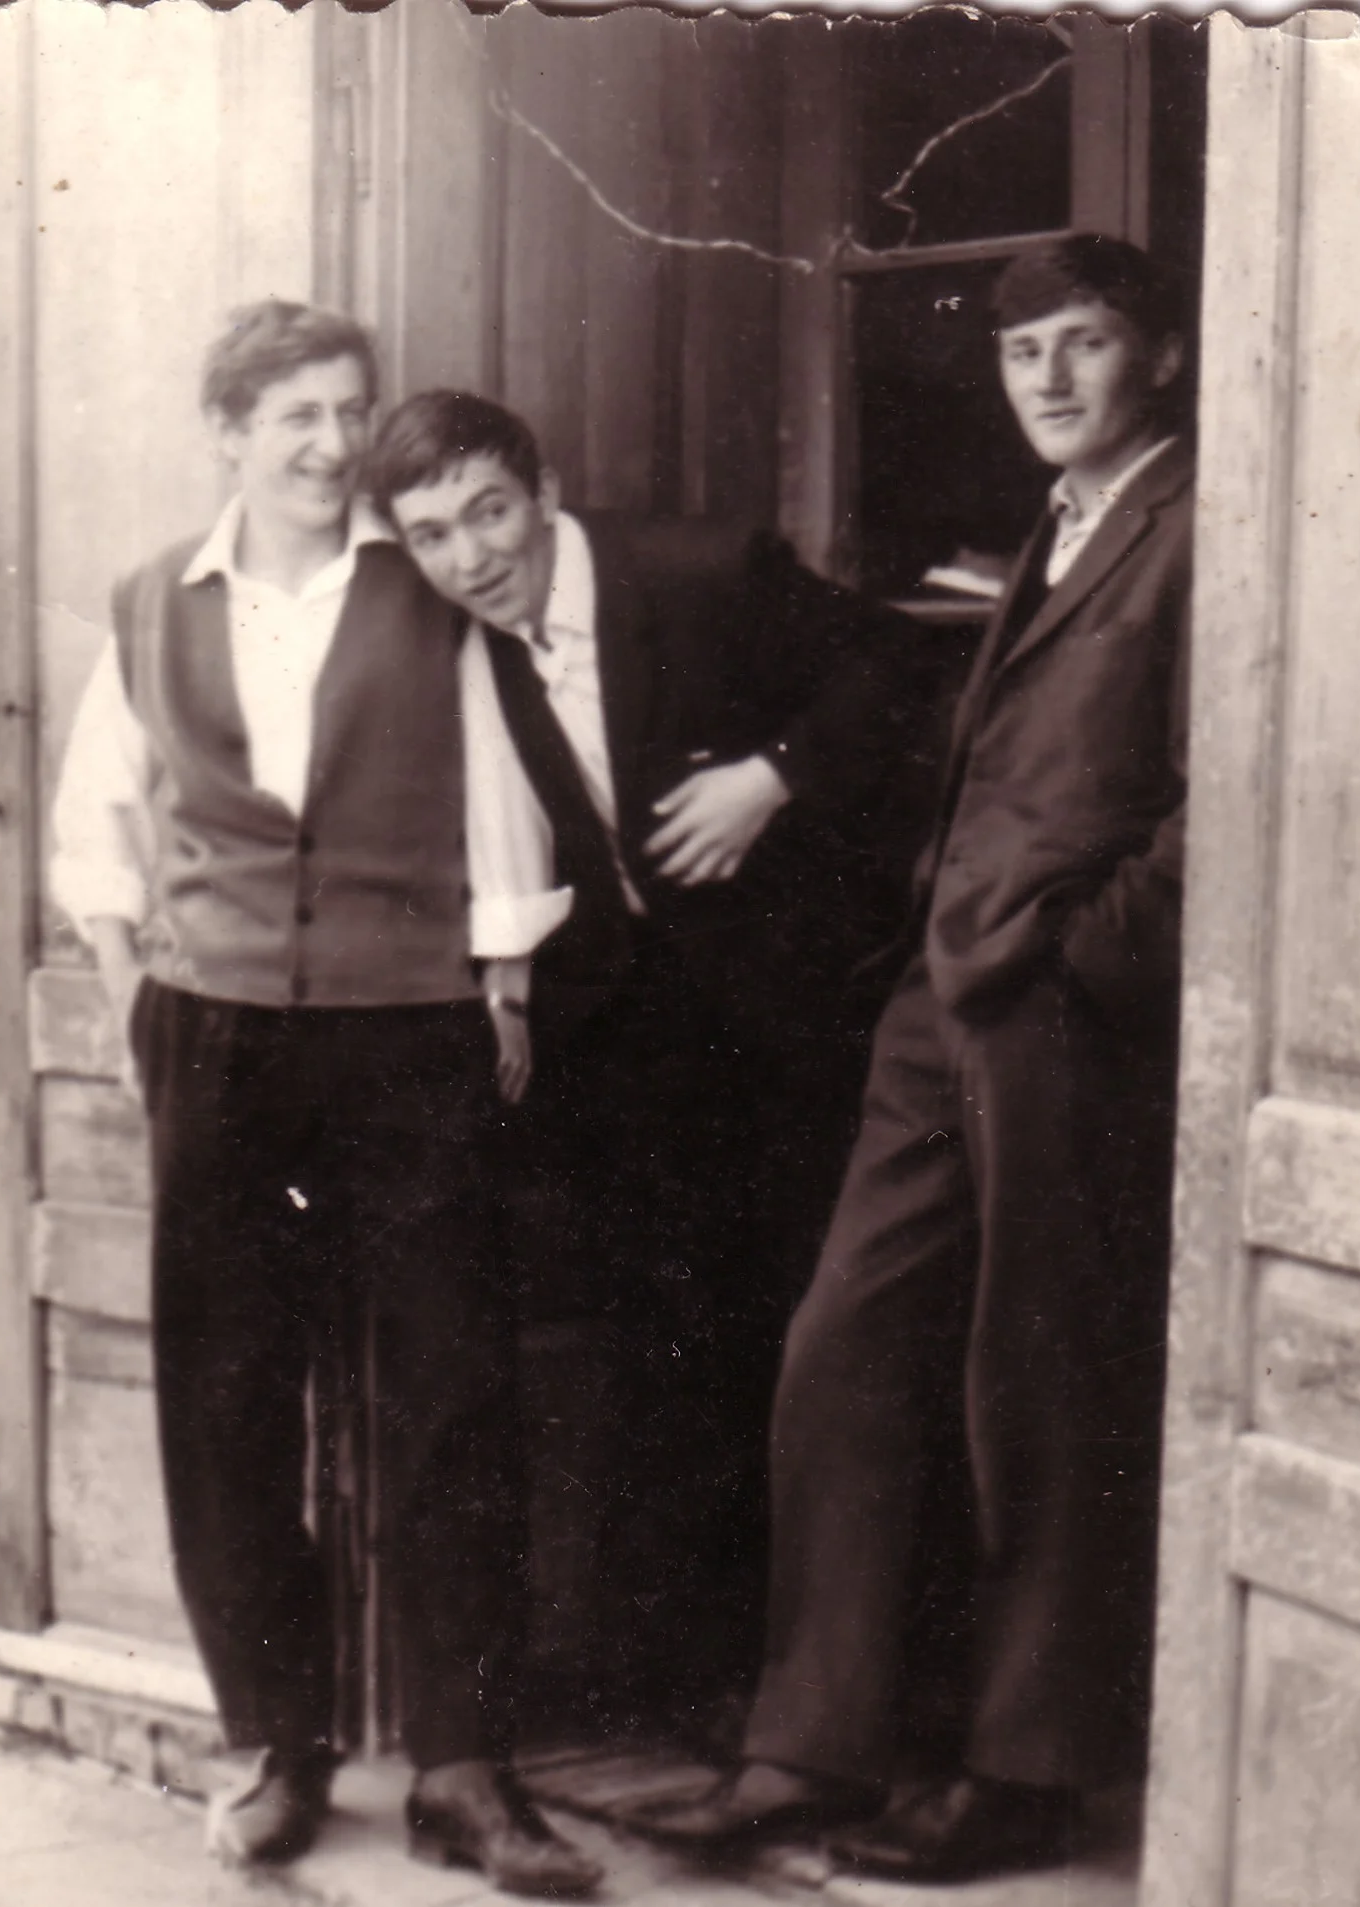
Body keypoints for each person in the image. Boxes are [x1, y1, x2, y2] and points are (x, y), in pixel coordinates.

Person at [641, 234, 1193, 1883]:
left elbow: (1228, 789)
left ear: (1158, 358)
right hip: (939, 997)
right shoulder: (1064, 518)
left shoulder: (1200, 525)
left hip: (1053, 1006)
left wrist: (1081, 954)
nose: (1046, 377)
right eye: (1022, 349)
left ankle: (1024, 1777)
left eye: (1082, 342)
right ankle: (809, 1748)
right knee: (845, 1350)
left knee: (1036, 1383)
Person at [50, 300, 601, 1897]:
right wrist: (131, 989)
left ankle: (464, 1766)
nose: (331, 441)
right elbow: (101, 815)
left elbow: (499, 794)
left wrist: (502, 975)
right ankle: (279, 1743)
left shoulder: (421, 585)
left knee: (451, 1390)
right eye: (295, 414)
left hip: (410, 1033)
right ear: (227, 433)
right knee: (229, 1398)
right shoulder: (156, 598)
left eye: (349, 409)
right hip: (218, 1041)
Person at [362, 392, 940, 1724]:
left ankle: (859, 1702)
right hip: (636, 1043)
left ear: (545, 492)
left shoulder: (700, 569)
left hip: (801, 1023)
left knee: (820, 1344)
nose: (470, 557)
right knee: (675, 1347)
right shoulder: (466, 643)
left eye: (489, 513)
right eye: (432, 535)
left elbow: (900, 668)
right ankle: (707, 1689)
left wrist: (772, 777)